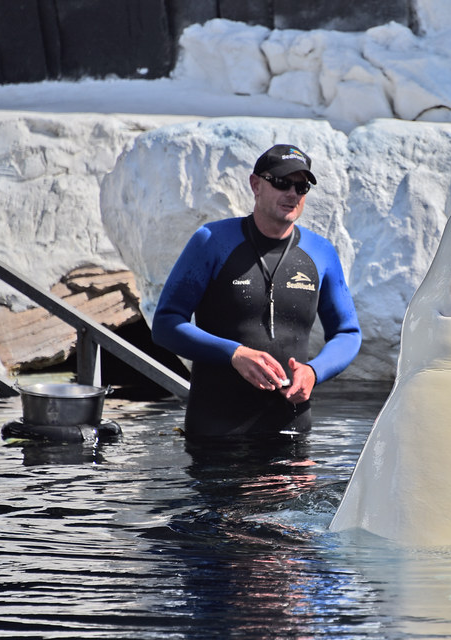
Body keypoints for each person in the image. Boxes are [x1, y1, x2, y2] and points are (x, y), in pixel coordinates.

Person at [152, 144, 361, 441]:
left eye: (301, 187)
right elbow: (166, 324)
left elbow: (348, 333)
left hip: (291, 433)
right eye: (281, 182)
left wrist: (314, 372)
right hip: (217, 434)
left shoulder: (320, 253)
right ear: (256, 184)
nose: (292, 193)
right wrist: (234, 353)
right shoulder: (212, 242)